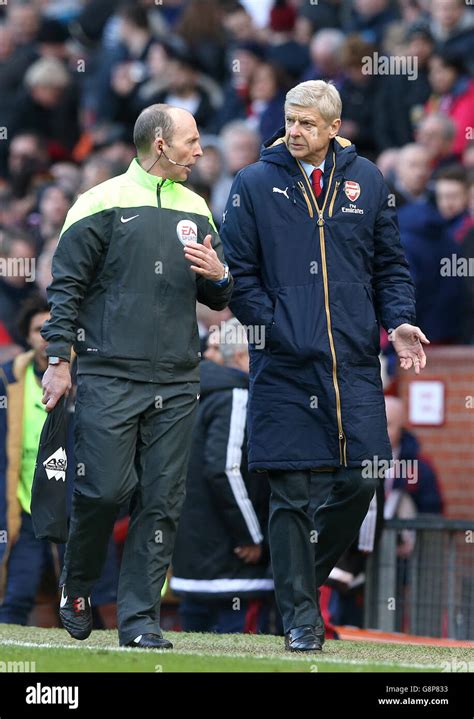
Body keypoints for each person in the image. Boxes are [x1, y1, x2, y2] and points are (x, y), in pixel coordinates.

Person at [220, 79, 429, 652]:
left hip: (356, 361)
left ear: (335, 127)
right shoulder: (254, 183)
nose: (294, 131)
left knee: (364, 477)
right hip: (285, 363)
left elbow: (389, 265)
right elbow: (237, 274)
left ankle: (298, 587)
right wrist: (285, 330)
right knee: (289, 490)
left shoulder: (367, 180)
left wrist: (400, 319)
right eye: (290, 120)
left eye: (308, 123)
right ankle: (300, 620)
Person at [40, 103, 234, 650]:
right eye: (191, 141)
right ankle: (76, 588)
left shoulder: (197, 207)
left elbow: (216, 296)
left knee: (162, 499)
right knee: (102, 492)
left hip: (178, 379)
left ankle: (140, 619)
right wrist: (59, 360)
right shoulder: (97, 202)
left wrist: (221, 277)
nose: (200, 152)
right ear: (159, 145)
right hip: (108, 374)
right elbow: (66, 288)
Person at [0, 295, 119, 628]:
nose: (48, 337)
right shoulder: (8, 380)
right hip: (24, 509)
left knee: (96, 597)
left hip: (80, 505)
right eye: (40, 329)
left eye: (56, 329)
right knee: (16, 594)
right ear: (26, 335)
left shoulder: (91, 376)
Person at [171, 318, 273, 633]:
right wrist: (251, 535)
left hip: (190, 549)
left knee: (191, 653)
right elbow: (225, 469)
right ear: (244, 357)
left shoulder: (187, 391)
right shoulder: (234, 394)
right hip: (231, 556)